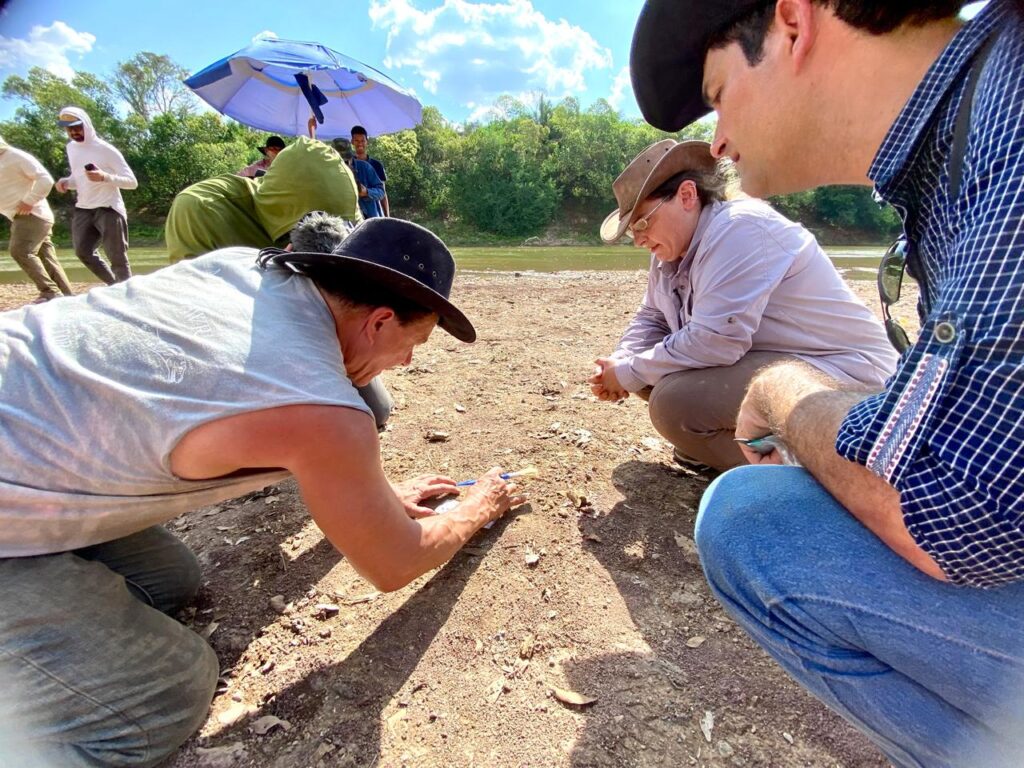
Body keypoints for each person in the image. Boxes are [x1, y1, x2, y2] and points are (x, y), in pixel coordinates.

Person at [631, 0, 1024, 765]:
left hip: (906, 455)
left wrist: (780, 393)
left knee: (751, 523)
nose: (719, 139)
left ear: (793, 25)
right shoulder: (969, 140)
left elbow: (949, 517)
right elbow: (652, 329)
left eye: (717, 95)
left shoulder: (1005, 149)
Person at [0, 214, 523, 766]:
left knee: (168, 579)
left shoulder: (243, 267)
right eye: (413, 343)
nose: (408, 361)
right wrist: (474, 509)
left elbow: (250, 393)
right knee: (166, 693)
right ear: (380, 321)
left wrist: (372, 494)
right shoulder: (320, 408)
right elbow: (393, 563)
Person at [588, 139, 896, 471]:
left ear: (687, 196)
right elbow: (652, 316)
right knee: (652, 376)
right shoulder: (670, 251)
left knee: (673, 404)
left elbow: (715, 341)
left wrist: (628, 372)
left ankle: (825, 478)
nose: (638, 239)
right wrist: (622, 359)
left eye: (642, 223)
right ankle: (736, 446)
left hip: (851, 379)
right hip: (786, 366)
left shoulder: (740, 228)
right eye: (632, 231)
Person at [54, 106, 137, 285]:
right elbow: (79, 178)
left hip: (109, 208)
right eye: (69, 129)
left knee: (117, 257)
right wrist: (66, 182)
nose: (73, 132)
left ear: (86, 124)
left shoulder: (106, 150)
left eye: (77, 127)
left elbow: (132, 182)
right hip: (84, 208)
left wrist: (105, 177)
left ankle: (128, 293)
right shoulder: (71, 148)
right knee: (83, 252)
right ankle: (114, 286)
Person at [0, 135, 73, 303]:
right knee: (47, 258)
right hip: (23, 217)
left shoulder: (15, 156)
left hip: (32, 215)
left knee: (20, 251)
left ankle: (50, 292)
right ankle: (68, 298)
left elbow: (45, 179)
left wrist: (29, 201)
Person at [334, 137, 386, 219]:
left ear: (351, 156)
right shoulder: (330, 173)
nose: (344, 164)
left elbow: (381, 192)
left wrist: (366, 192)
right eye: (340, 161)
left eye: (346, 161)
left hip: (368, 220)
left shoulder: (365, 167)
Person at [351, 124, 390, 217]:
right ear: (352, 141)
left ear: (366, 142)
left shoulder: (376, 165)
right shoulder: (346, 165)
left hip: (374, 214)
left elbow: (383, 193)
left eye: (362, 140)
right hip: (354, 215)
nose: (360, 144)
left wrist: (387, 217)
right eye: (356, 140)